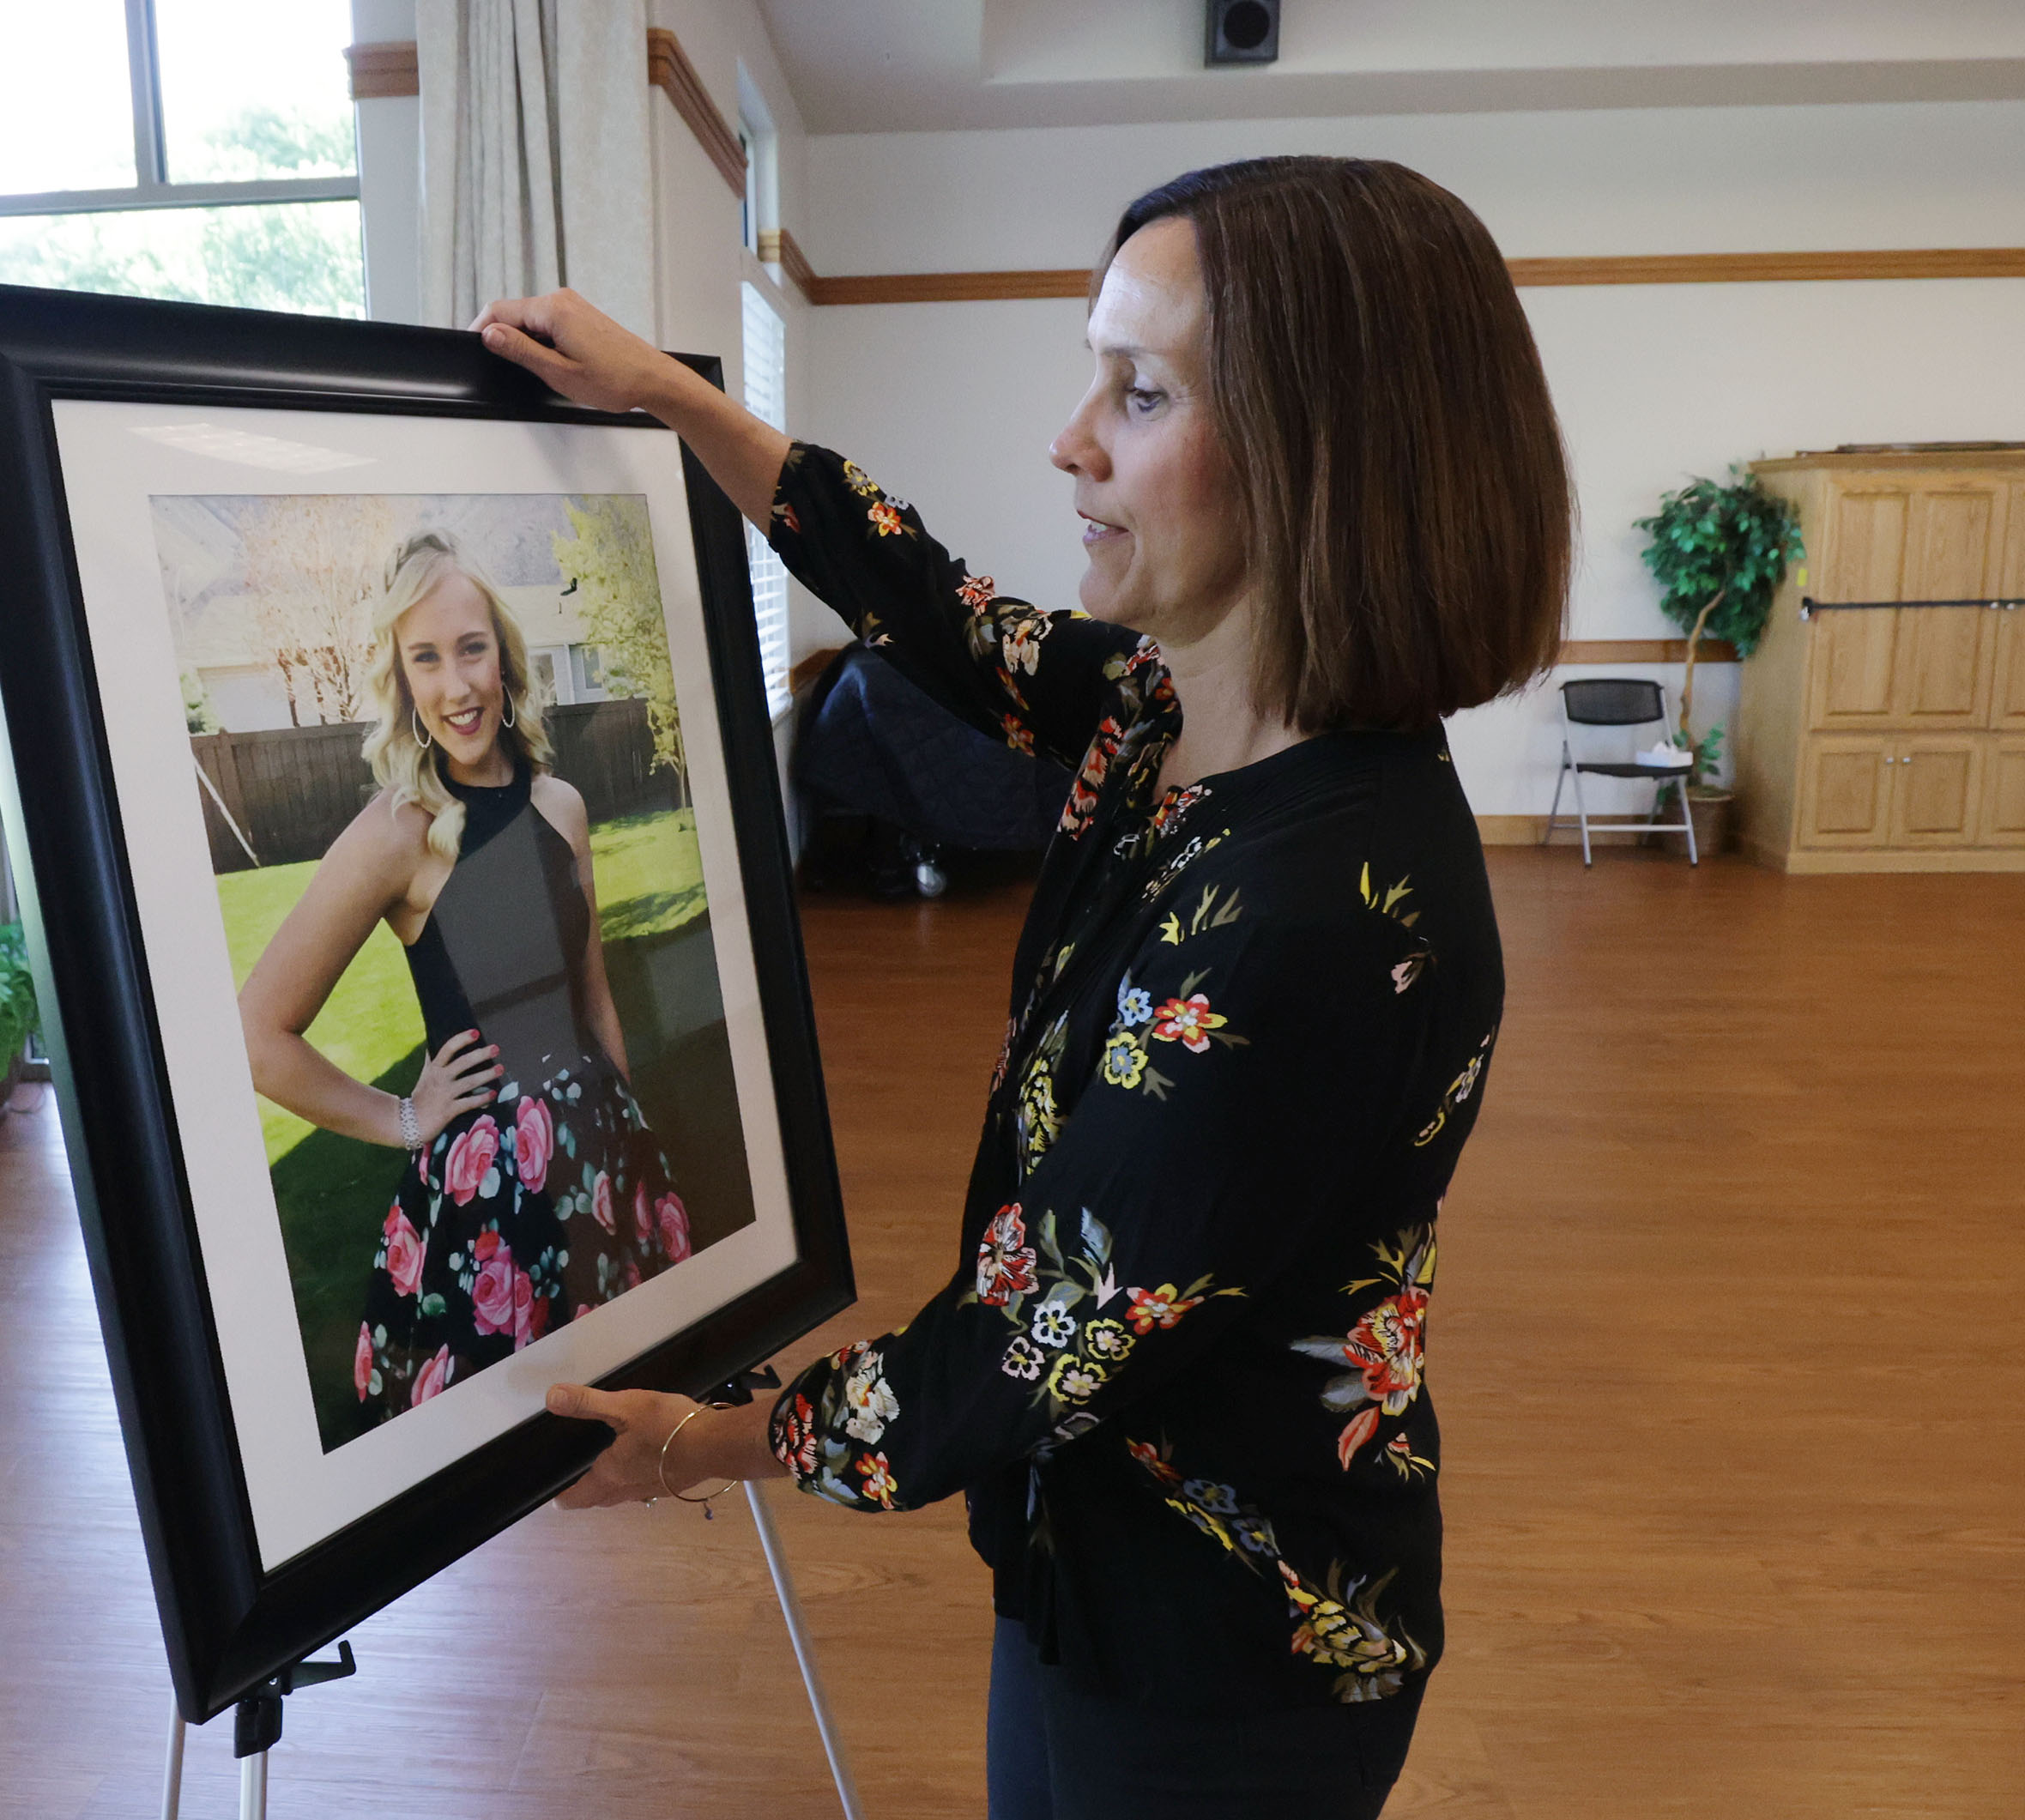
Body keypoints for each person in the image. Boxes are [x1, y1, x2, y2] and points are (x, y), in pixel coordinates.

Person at [475, 155, 1569, 1818]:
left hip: (1235, 1646)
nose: (1070, 440)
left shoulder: (1314, 915)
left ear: (1319, 455)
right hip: (1097, 1553)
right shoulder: (1164, 703)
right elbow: (938, 611)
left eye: (1138, 393)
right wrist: (671, 398)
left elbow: (1028, 1341)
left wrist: (694, 1442)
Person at [238, 530, 689, 1424]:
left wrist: (627, 1135)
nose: (457, 686)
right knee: (514, 1436)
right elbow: (257, 1035)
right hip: (490, 1202)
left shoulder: (562, 806)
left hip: (600, 1152)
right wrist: (404, 1118)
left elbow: (590, 990)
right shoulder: (396, 833)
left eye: (471, 649)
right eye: (427, 658)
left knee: (624, 1406)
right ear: (403, 679)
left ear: (505, 657)